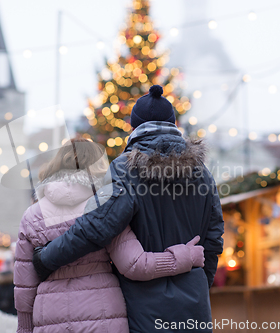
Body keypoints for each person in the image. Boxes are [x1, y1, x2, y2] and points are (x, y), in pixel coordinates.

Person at [33, 85, 225, 333]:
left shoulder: (126, 169)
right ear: (174, 124)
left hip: (144, 312)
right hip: (194, 311)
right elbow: (213, 239)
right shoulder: (203, 174)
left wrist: (46, 259)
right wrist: (198, 284)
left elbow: (97, 226)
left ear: (133, 128)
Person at [14, 137, 206, 333]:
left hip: (49, 316)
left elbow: (24, 286)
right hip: (102, 315)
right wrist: (185, 257)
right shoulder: (105, 208)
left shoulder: (32, 216)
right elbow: (136, 264)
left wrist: (25, 328)